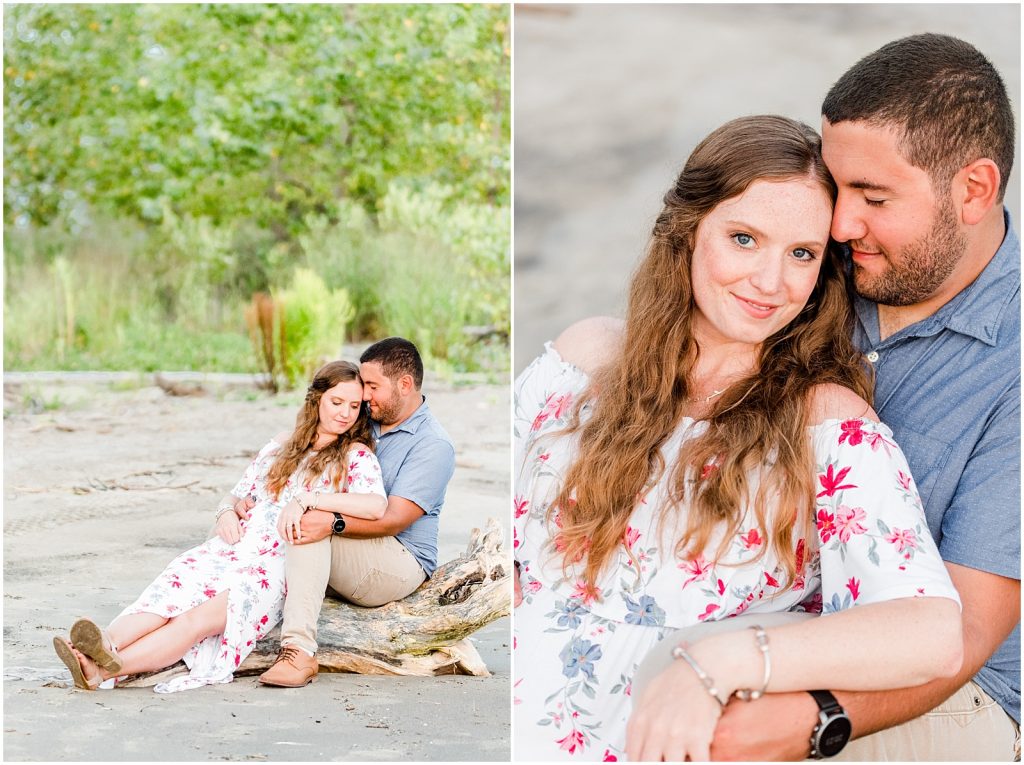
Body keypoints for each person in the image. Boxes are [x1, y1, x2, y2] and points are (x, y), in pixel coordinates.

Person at [512, 115, 964, 762]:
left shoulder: (822, 424)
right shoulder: (584, 357)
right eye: (745, 238)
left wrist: (724, 659)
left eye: (801, 254)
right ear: (689, 230)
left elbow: (930, 631)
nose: (770, 281)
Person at [708, 33, 1020, 762]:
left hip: (945, 689)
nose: (840, 224)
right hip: (760, 625)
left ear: (973, 189)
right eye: (837, 186)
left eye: (873, 197)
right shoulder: (813, 262)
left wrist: (812, 718)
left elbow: (965, 634)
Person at [52, 360, 388, 693]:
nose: (345, 413)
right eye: (337, 402)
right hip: (234, 546)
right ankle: (103, 643)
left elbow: (375, 505)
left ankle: (102, 671)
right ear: (317, 400)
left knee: (193, 620)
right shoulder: (282, 445)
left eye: (354, 406)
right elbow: (237, 495)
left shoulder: (355, 456)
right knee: (167, 595)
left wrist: (308, 500)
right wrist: (225, 512)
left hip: (273, 564)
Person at [257, 336, 456, 687]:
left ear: (405, 384)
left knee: (309, 525)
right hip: (349, 543)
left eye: (373, 386)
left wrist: (330, 522)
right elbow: (311, 443)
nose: (364, 396)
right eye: (364, 385)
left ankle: (299, 652)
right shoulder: (367, 417)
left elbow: (392, 519)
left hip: (399, 563)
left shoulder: (432, 445)